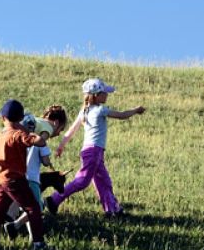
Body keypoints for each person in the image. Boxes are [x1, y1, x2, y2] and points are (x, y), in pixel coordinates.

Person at [45, 78, 145, 218]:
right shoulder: (100, 110)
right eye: (104, 93)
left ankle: (112, 210)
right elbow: (122, 115)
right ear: (96, 95)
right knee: (82, 181)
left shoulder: (84, 112)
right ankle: (54, 199)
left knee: (104, 181)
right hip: (94, 152)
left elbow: (71, 130)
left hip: (90, 152)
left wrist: (61, 146)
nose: (107, 95)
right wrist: (135, 110)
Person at [0, 99, 51, 250]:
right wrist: (28, 132)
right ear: (20, 118)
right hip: (15, 180)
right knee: (33, 208)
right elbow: (40, 142)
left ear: (3, 118)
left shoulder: (0, 136)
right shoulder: (18, 135)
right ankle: (38, 244)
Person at [4, 106, 68, 240]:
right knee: (37, 207)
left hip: (17, 174)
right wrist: (48, 161)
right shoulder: (41, 140)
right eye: (61, 129)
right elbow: (45, 161)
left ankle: (34, 240)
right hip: (31, 177)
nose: (58, 133)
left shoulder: (28, 132)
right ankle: (14, 226)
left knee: (27, 209)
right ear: (56, 123)